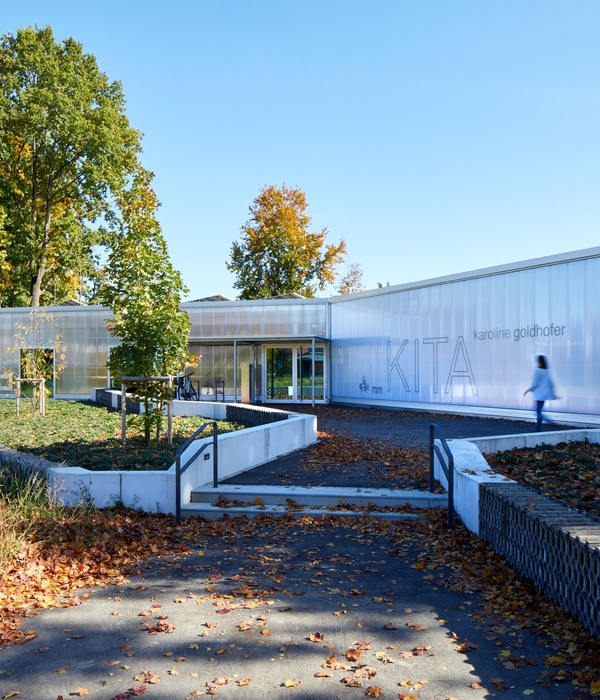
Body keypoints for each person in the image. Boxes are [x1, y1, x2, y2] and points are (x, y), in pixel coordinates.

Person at [524, 355, 558, 431]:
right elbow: (550, 383)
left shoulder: (537, 370)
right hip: (544, 394)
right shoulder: (547, 371)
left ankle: (539, 427)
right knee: (539, 410)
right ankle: (544, 424)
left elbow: (535, 383)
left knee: (538, 411)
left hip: (538, 394)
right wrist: (553, 394)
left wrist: (529, 390)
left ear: (539, 361)